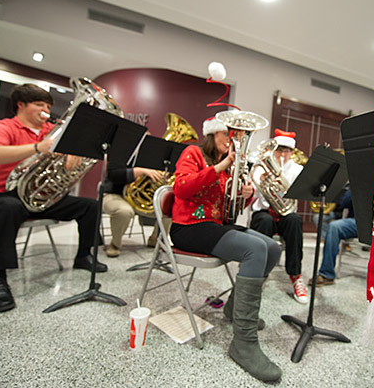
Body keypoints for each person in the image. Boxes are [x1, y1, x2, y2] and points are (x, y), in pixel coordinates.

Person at [0, 83, 106, 313]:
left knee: (90, 206)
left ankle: (84, 255)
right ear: (21, 105)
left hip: (39, 198)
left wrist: (74, 154)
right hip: (0, 195)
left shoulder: (49, 132)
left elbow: (68, 156)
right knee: (8, 208)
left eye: (48, 106)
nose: (45, 110)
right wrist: (37, 147)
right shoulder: (4, 127)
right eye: (39, 105)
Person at [170, 116, 282, 382]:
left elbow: (228, 213)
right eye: (230, 134)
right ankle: (243, 343)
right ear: (214, 134)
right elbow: (182, 188)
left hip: (212, 227)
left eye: (241, 136)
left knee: (272, 248)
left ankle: (234, 311)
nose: (236, 140)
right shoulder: (194, 152)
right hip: (188, 228)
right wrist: (221, 166)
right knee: (255, 250)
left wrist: (246, 194)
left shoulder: (229, 165)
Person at [249, 129, 308, 304]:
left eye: (286, 150)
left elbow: (301, 194)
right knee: (264, 221)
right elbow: (251, 194)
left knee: (295, 221)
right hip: (264, 211)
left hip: (286, 214)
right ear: (273, 150)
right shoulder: (261, 166)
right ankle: (258, 274)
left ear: (292, 152)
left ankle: (296, 276)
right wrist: (263, 183)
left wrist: (282, 185)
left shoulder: (298, 170)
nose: (282, 154)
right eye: (279, 149)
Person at [102, 163, 162, 257]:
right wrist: (141, 171)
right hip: (114, 194)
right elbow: (113, 175)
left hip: (140, 198)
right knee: (124, 211)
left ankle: (156, 239)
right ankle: (115, 244)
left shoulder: (154, 153)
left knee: (171, 208)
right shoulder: (120, 150)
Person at [310, 187, 357, 286]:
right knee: (334, 227)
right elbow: (345, 202)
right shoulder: (359, 181)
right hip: (356, 221)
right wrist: (356, 185)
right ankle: (327, 274)